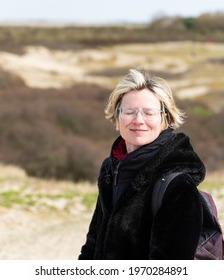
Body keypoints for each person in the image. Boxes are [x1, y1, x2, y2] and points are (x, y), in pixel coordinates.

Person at [78, 68, 206, 260]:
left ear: (165, 118)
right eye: (129, 111)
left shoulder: (178, 185)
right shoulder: (111, 169)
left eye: (149, 113)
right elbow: (93, 244)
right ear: (116, 116)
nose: (138, 120)